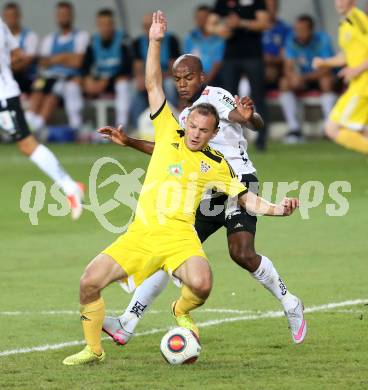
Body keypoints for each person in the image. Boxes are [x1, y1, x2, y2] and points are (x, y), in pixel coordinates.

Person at [62, 10, 300, 366]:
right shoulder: (184, 119)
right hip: (204, 189)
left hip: (235, 181)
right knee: (168, 254)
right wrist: (128, 142)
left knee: (241, 252)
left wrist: (249, 117)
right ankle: (128, 321)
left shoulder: (215, 98)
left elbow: (245, 120)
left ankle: (289, 302)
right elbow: (166, 148)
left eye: (188, 77)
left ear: (201, 77)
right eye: (178, 78)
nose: (183, 83)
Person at [0, 16, 84, 219]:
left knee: (27, 144)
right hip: (6, 90)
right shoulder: (2, 24)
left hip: (3, 96)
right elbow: (18, 55)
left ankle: (70, 186)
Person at [210, 0, 270, 151]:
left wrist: (241, 23)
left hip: (253, 55)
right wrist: (220, 30)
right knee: (227, 99)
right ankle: (230, 138)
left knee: (258, 97)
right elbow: (210, 24)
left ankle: (261, 139)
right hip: (231, 57)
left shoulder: (257, 2)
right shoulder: (223, 3)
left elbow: (264, 23)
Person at [313, 0, 368, 154]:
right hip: (357, 86)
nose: (338, 2)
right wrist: (325, 62)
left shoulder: (357, 19)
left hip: (363, 87)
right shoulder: (344, 23)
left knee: (333, 129)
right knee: (362, 132)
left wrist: (357, 69)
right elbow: (347, 55)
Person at [25, 1, 89, 133]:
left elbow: (77, 61)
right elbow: (43, 62)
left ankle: (37, 125)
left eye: (66, 14)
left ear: (72, 16)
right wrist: (66, 57)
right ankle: (30, 118)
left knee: (54, 91)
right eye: (60, 14)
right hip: (49, 77)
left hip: (68, 78)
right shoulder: (49, 39)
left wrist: (55, 59)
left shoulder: (81, 36)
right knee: (38, 85)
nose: (63, 17)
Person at [281, 15, 337, 144]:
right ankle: (294, 129)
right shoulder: (291, 40)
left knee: (326, 81)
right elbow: (288, 66)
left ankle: (329, 129)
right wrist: (293, 77)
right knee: (284, 83)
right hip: (303, 79)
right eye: (297, 29)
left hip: (319, 77)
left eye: (302, 29)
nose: (298, 33)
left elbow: (327, 67)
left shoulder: (322, 39)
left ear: (311, 30)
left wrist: (303, 78)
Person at [82, 8, 132, 127]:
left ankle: (121, 127)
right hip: (99, 81)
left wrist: (107, 81)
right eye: (102, 25)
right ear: (98, 25)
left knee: (123, 84)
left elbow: (127, 67)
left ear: (113, 25)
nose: (106, 28)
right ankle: (79, 128)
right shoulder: (93, 41)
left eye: (108, 24)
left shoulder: (123, 39)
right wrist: (87, 79)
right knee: (73, 84)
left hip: (115, 80)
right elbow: (85, 66)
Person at [130, 13, 180, 129]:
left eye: (150, 25)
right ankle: (137, 126)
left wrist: (157, 77)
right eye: (145, 26)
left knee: (169, 85)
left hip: (166, 77)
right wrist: (140, 78)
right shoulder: (138, 42)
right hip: (148, 78)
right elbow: (138, 66)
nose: (148, 29)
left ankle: (172, 122)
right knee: (135, 86)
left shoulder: (171, 40)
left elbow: (174, 67)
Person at [2, 2, 38, 94]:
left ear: (19, 16)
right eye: (7, 16)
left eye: (12, 16)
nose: (10, 19)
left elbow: (25, 63)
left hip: (25, 80)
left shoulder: (30, 36)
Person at [184, 5, 225, 85]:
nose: (201, 20)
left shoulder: (219, 38)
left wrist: (206, 79)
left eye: (204, 17)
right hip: (194, 78)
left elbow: (218, 62)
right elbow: (187, 60)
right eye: (198, 17)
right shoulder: (190, 37)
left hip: (215, 79)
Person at [262, 0, 291, 90]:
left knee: (269, 72)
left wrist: (273, 59)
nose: (271, 10)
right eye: (267, 7)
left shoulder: (285, 29)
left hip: (277, 67)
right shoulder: (254, 29)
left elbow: (288, 54)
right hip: (256, 65)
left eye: (274, 6)